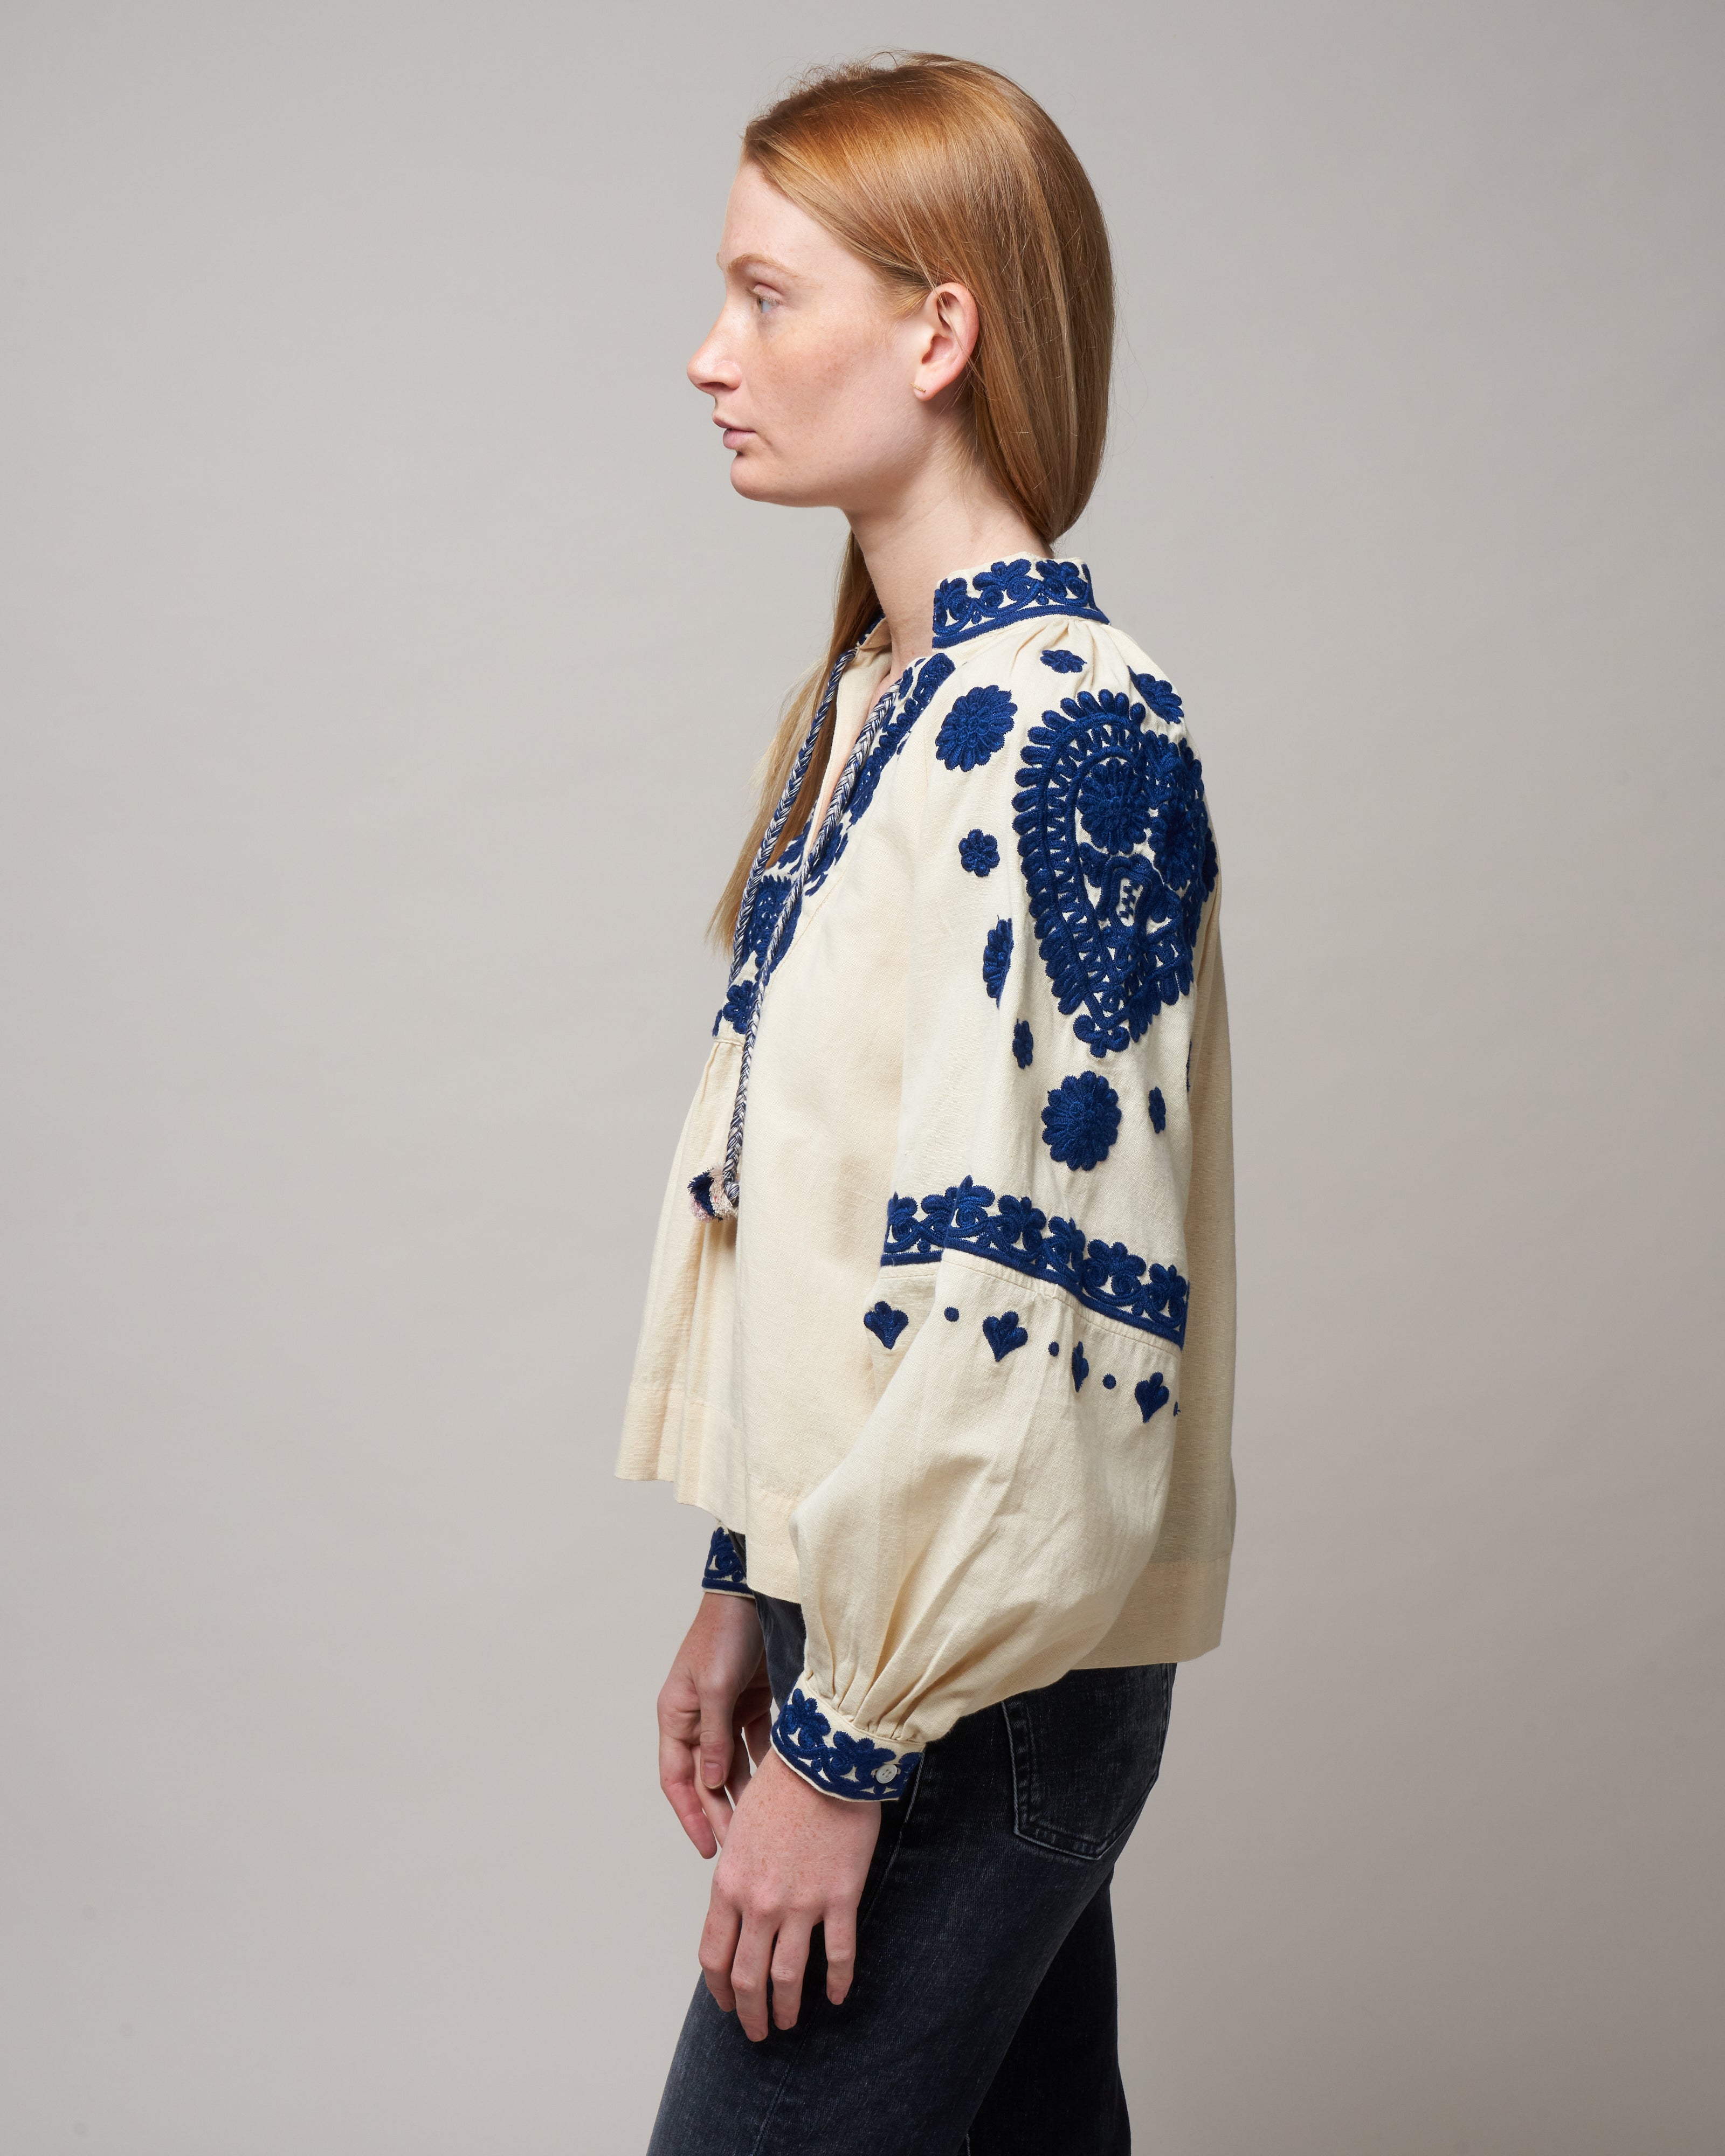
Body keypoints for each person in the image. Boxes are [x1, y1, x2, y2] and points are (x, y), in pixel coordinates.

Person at [617, 52, 1236, 2154]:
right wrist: (747, 1577)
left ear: (939, 330)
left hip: (966, 1688)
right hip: (897, 1635)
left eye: (764, 294)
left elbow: (1041, 1320)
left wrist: (848, 1736)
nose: (710, 356)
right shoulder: (877, 705)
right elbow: (834, 1233)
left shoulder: (1063, 732)